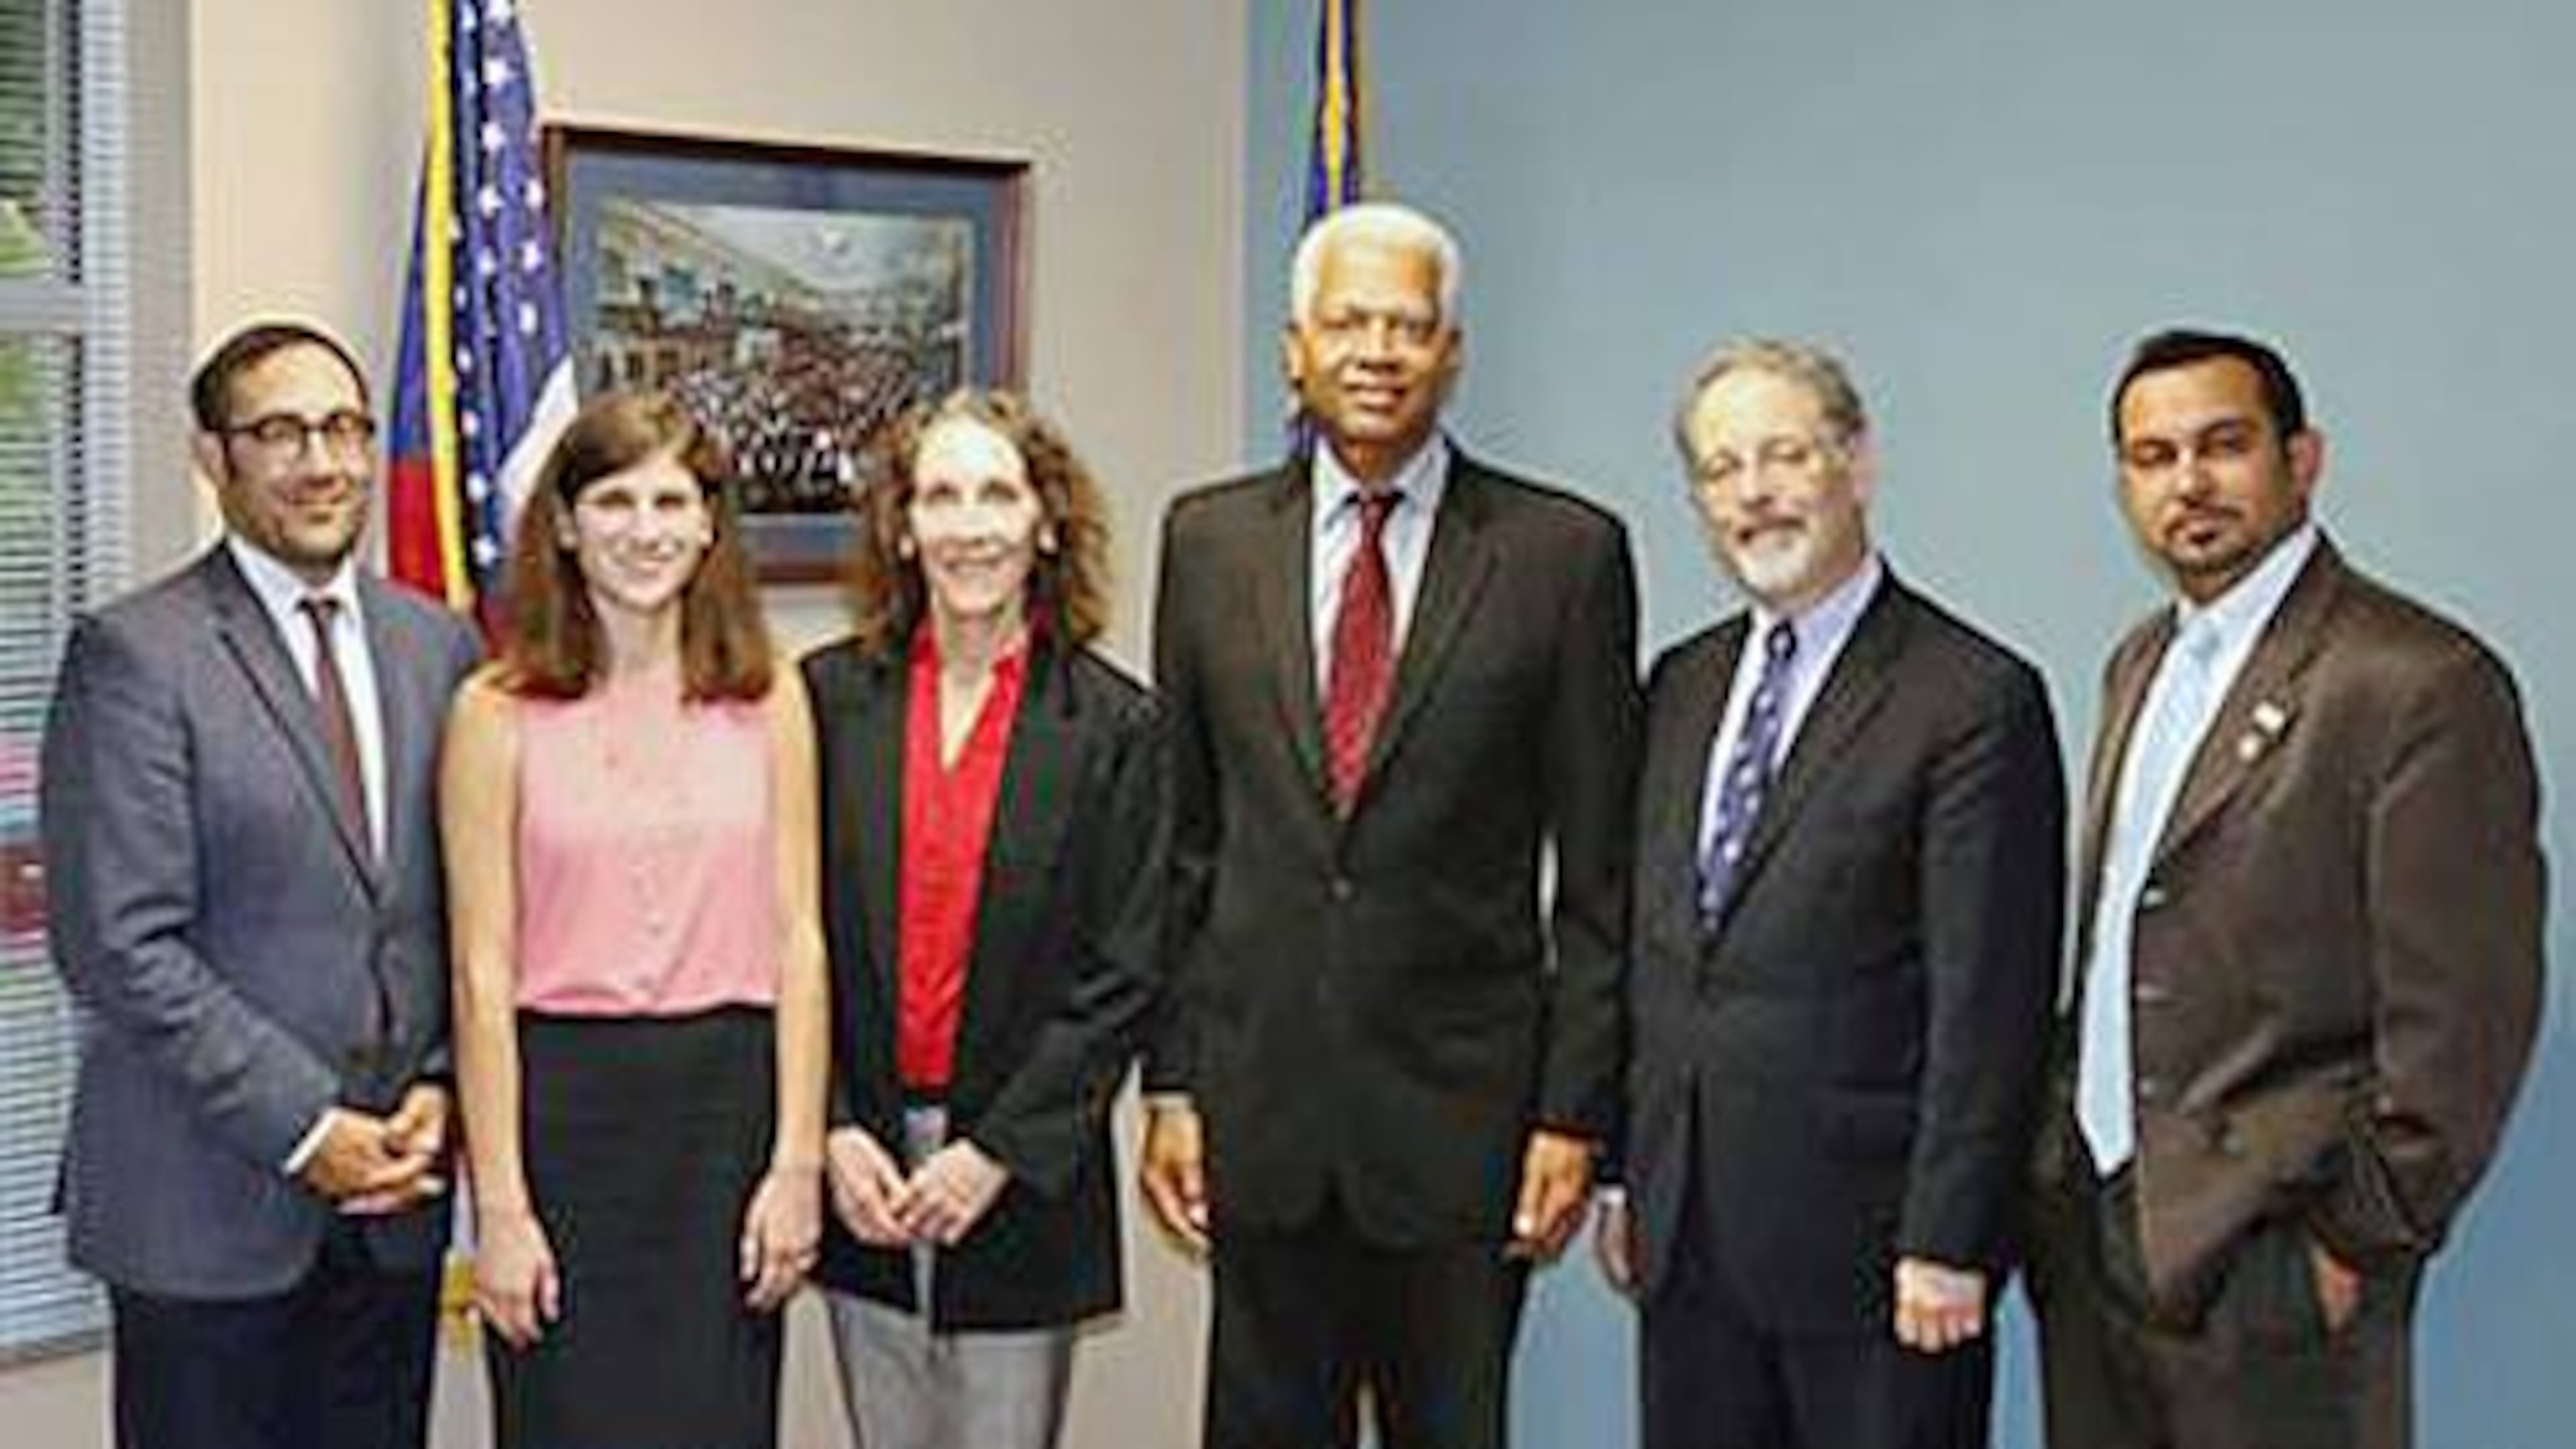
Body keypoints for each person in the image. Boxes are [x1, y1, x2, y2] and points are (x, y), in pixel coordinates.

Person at [1141, 200, 1642, 1449]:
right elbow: (1184, 844)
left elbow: (1600, 879)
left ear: (1452, 354)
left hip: (1466, 1132)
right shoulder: (1206, 543)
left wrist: (1572, 1115)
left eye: (1409, 326)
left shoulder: (1561, 556)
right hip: (1260, 1124)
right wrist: (1175, 1085)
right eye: (1348, 322)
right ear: (1293, 349)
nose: (1378, 350)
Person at [2027, 328, 2546, 1449]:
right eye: (2153, 457)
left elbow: (2465, 1010)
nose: (2189, 483)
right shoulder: (2141, 662)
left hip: (2273, 1249)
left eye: (2224, 445)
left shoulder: (2416, 682)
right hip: (2095, 1233)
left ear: (2301, 460)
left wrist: (2356, 1239)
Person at [1595, 339, 2065, 1449]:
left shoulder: (1972, 698)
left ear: (1857, 464)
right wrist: (1625, 1172)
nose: (1752, 492)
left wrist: (1950, 1236)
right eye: (1720, 469)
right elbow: (1651, 949)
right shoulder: (1682, 683)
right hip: (1690, 1236)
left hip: (1881, 1260)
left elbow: (1990, 1004)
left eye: (1784, 455)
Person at [40, 319, 482, 1449]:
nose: (323, 462)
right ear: (213, 455)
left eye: (341, 428)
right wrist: (307, 1126)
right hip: (206, 1213)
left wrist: (438, 1086)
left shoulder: (438, 647)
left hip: (393, 1210)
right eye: (278, 433)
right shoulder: (136, 654)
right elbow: (117, 945)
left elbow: (444, 909)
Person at [441, 390, 827, 1449]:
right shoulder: (494, 711)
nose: (646, 531)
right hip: (564, 1126)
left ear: (711, 525)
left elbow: (801, 939)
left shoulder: (771, 697)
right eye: (614, 501)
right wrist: (503, 1208)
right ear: (564, 523)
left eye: (674, 501)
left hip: (726, 1124)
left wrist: (798, 1165)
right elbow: (481, 973)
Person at [800, 388, 1170, 1449]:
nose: (970, 526)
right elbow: (789, 933)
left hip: (1019, 1170)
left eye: (998, 495)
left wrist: (994, 1152)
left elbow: (1127, 967)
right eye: (941, 497)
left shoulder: (1115, 725)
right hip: (863, 1158)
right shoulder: (825, 703)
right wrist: (829, 1127)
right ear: (902, 528)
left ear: (1045, 523)